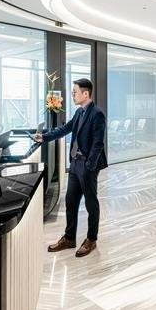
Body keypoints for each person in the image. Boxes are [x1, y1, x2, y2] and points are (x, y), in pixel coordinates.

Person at [37, 78, 107, 258]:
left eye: (75, 91)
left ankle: (91, 239)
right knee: (71, 201)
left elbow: (98, 144)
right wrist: (44, 137)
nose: (73, 95)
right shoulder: (79, 112)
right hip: (75, 164)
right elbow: (66, 128)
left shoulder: (96, 114)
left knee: (91, 203)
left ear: (86, 93)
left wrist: (90, 167)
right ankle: (69, 238)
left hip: (87, 165)